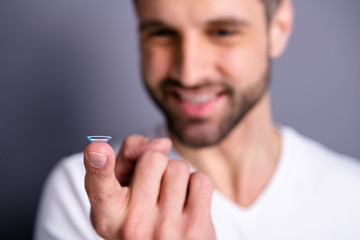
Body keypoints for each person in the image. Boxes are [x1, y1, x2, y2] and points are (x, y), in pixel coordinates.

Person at [34, 0, 360, 239]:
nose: (188, 73)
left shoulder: (352, 196)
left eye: (222, 31)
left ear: (279, 29)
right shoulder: (83, 196)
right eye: (161, 33)